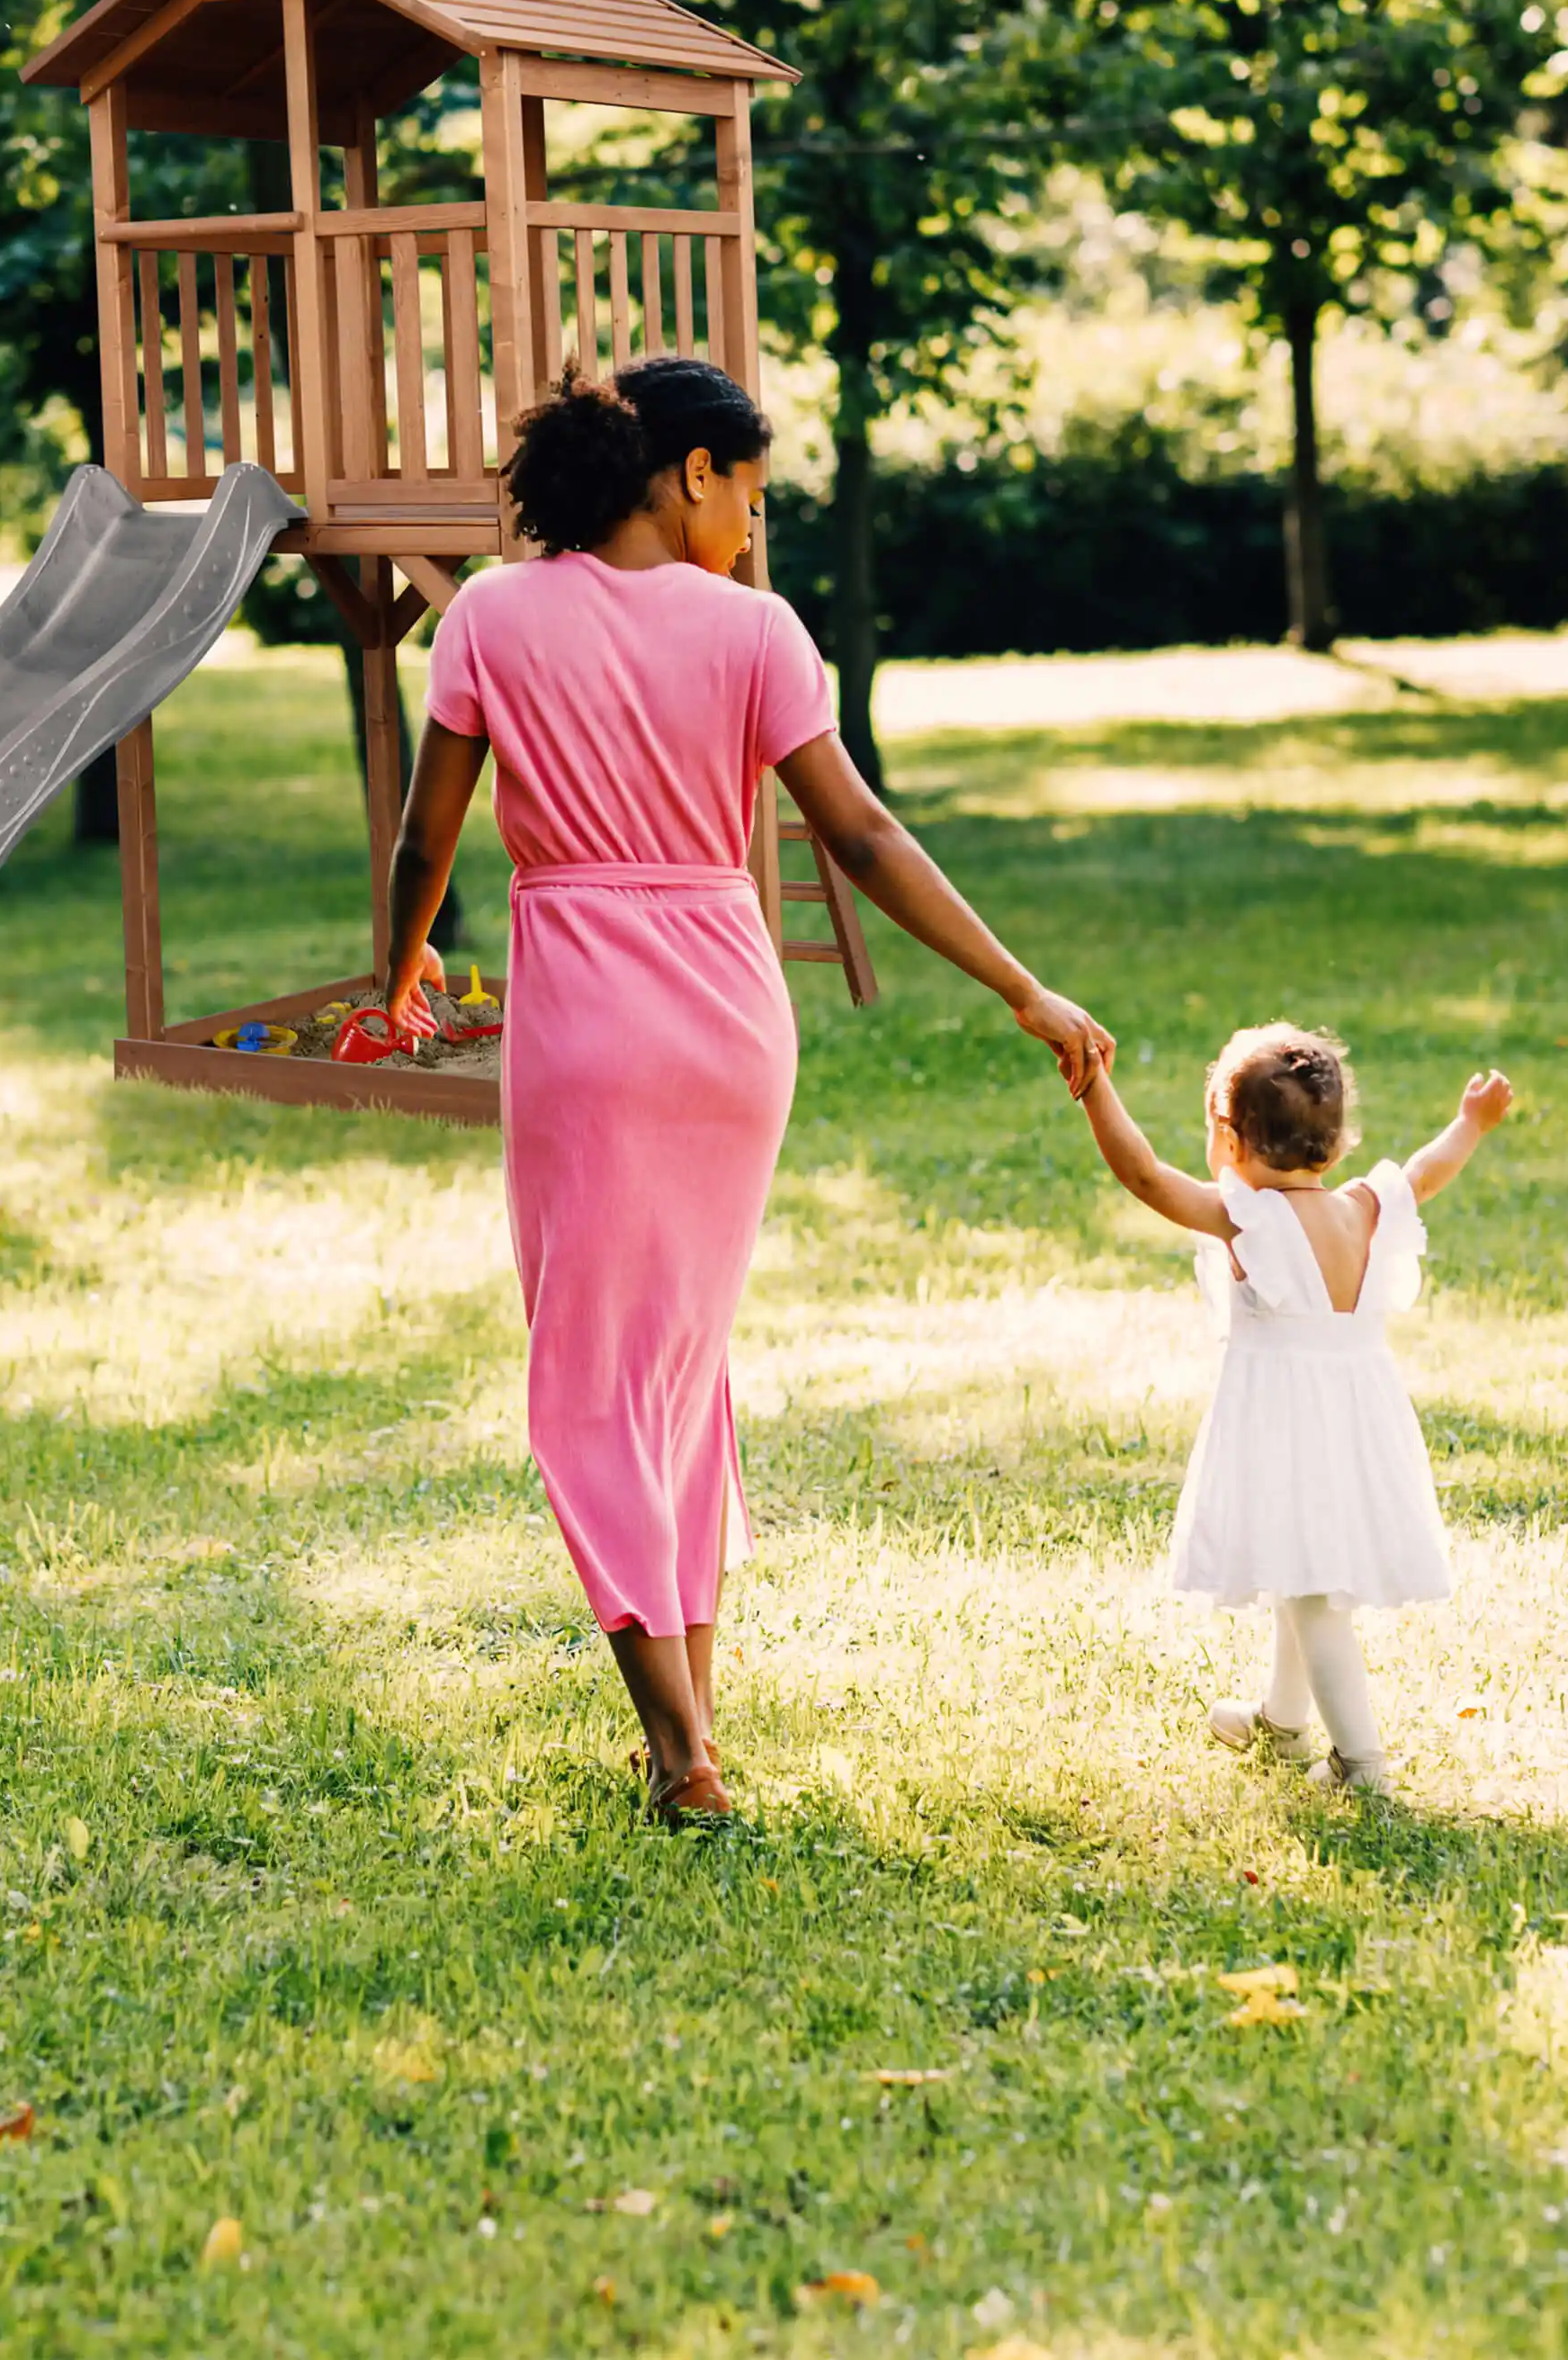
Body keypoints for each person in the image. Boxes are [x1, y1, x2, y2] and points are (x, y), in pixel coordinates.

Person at [381, 359, 1112, 1824]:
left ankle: (676, 1750)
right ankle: (691, 1727)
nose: (755, 532)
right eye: (752, 497)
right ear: (689, 472)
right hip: (729, 1022)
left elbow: (427, 840)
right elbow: (861, 837)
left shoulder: (491, 615)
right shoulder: (759, 634)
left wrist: (394, 972)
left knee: (592, 1380)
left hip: (586, 1023)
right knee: (677, 1370)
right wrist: (1020, 985)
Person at [1075, 1022, 1514, 1792]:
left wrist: (1094, 1086)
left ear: (1230, 1140)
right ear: (1337, 1144)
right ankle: (1282, 1722)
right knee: (1296, 1564)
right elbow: (1427, 1169)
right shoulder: (1366, 1206)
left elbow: (1144, 1175)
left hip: (1287, 1425)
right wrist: (1470, 1123)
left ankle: (1361, 1763)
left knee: (1313, 1595)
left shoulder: (1248, 1219)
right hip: (1357, 1420)